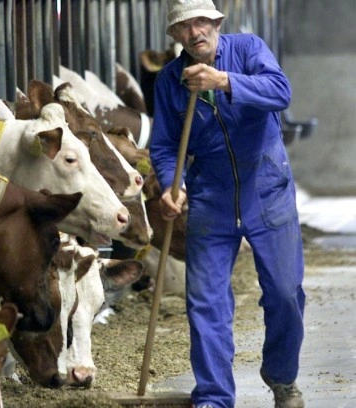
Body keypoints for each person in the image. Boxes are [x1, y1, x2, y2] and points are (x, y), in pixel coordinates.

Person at [149, 1, 306, 407]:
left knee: (285, 293)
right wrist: (172, 185)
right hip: (211, 197)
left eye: (202, 21)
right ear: (175, 37)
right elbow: (166, 146)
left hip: (266, 187)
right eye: (184, 26)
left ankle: (282, 378)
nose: (195, 31)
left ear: (218, 22)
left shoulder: (249, 49)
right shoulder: (169, 81)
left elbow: (281, 92)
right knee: (205, 302)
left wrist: (224, 81)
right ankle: (215, 397)